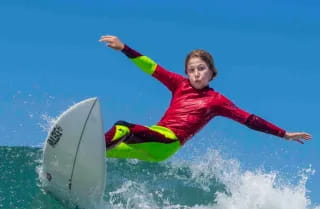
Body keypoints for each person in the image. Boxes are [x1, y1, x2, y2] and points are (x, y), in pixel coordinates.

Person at [99, 35, 312, 162]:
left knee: (122, 127)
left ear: (212, 73)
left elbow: (249, 119)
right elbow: (152, 67)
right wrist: (124, 48)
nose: (196, 73)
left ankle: (90, 148)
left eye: (201, 69)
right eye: (191, 70)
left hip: (169, 141)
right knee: (108, 153)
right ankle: (80, 161)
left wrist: (284, 134)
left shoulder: (216, 101)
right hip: (157, 142)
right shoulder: (178, 84)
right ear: (186, 72)